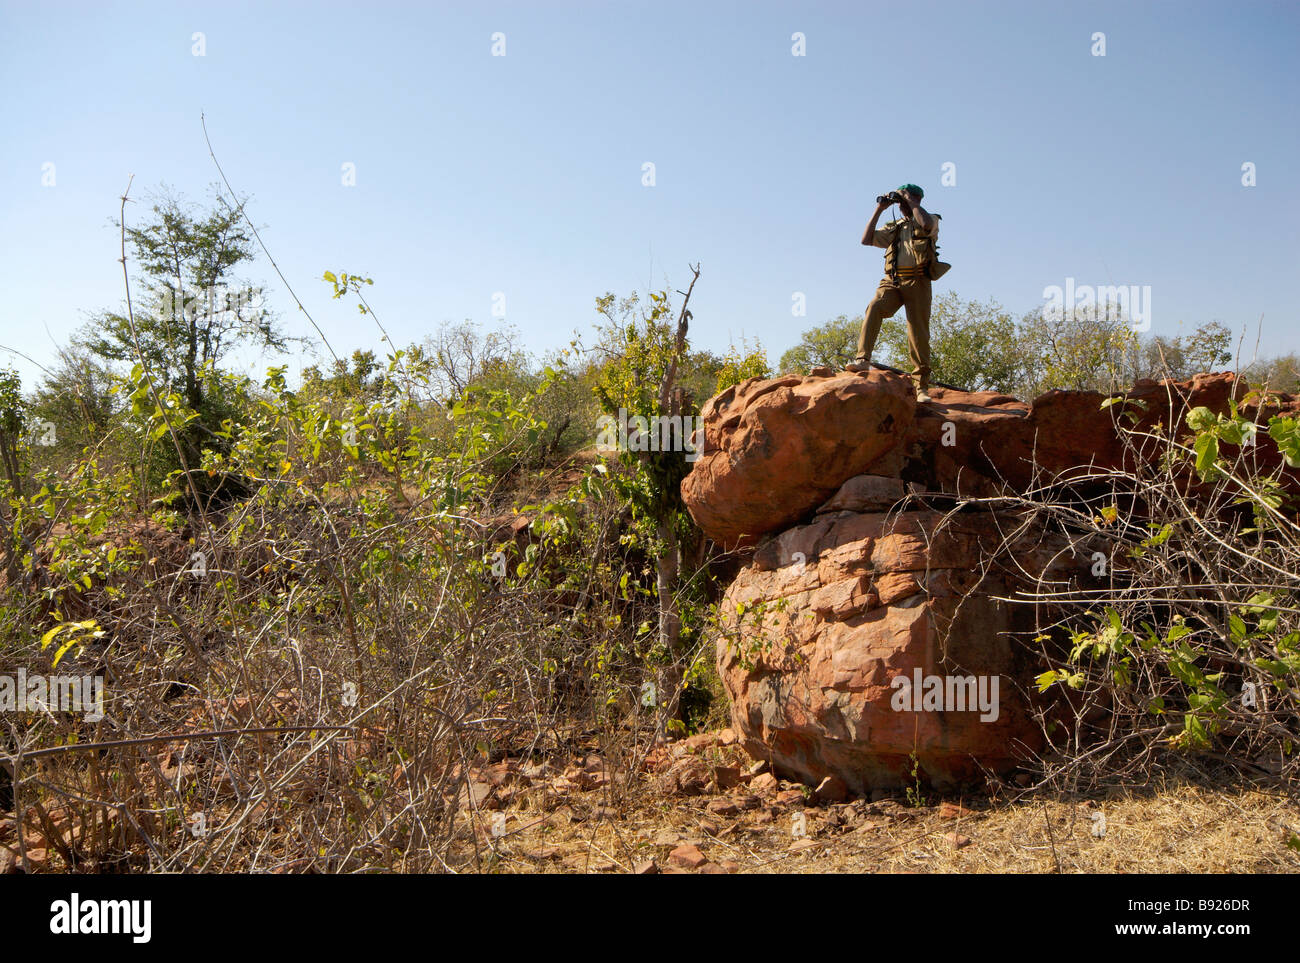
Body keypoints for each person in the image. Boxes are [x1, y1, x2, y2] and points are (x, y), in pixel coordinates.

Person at [846, 184, 939, 403]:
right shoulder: (895, 226)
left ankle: (921, 387)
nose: (903, 205)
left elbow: (925, 225)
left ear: (917, 199)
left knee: (917, 332)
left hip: (918, 281)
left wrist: (911, 201)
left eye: (906, 200)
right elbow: (866, 239)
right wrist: (879, 209)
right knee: (875, 307)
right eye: (901, 201)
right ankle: (862, 359)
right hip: (893, 280)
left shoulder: (931, 219)